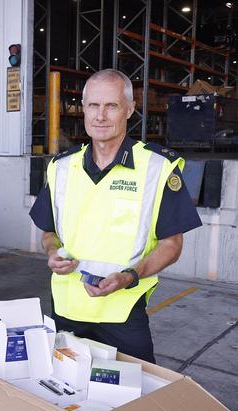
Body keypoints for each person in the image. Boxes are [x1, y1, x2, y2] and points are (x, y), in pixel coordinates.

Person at [29, 69, 202, 363]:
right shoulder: (60, 168)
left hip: (123, 311)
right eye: (93, 105)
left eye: (111, 106)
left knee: (135, 397)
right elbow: (48, 232)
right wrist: (52, 251)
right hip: (68, 309)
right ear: (83, 108)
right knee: (66, 394)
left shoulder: (157, 168)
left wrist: (129, 276)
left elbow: (172, 244)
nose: (101, 115)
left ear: (129, 110)